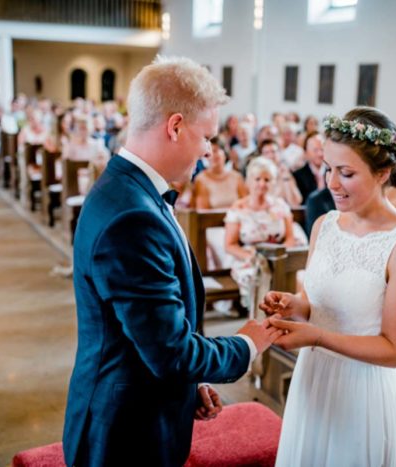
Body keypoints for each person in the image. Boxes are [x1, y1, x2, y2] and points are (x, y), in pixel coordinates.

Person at [62, 56, 282, 467]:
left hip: (142, 405)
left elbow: (148, 331)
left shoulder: (128, 189)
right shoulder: (131, 217)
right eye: (206, 137)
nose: (209, 150)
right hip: (125, 435)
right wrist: (249, 343)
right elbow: (170, 352)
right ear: (175, 126)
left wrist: (188, 384)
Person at [260, 107, 396, 466]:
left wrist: (316, 337)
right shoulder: (324, 225)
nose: (332, 183)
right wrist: (295, 305)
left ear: (383, 173)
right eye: (328, 169)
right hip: (312, 379)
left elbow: (395, 350)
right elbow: (316, 302)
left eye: (347, 173)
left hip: (362, 391)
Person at [225, 157, 299, 309]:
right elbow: (230, 245)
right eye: (257, 179)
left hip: (280, 255)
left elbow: (290, 238)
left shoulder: (280, 205)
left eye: (267, 179)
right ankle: (260, 315)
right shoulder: (238, 208)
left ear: (273, 182)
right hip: (250, 257)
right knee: (257, 275)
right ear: (249, 181)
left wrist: (279, 255)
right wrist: (249, 256)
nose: (262, 184)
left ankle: (290, 313)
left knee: (299, 275)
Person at [293, 132, 326, 203]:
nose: (320, 154)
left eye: (322, 149)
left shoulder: (333, 171)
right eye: (315, 150)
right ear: (306, 152)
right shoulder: (297, 176)